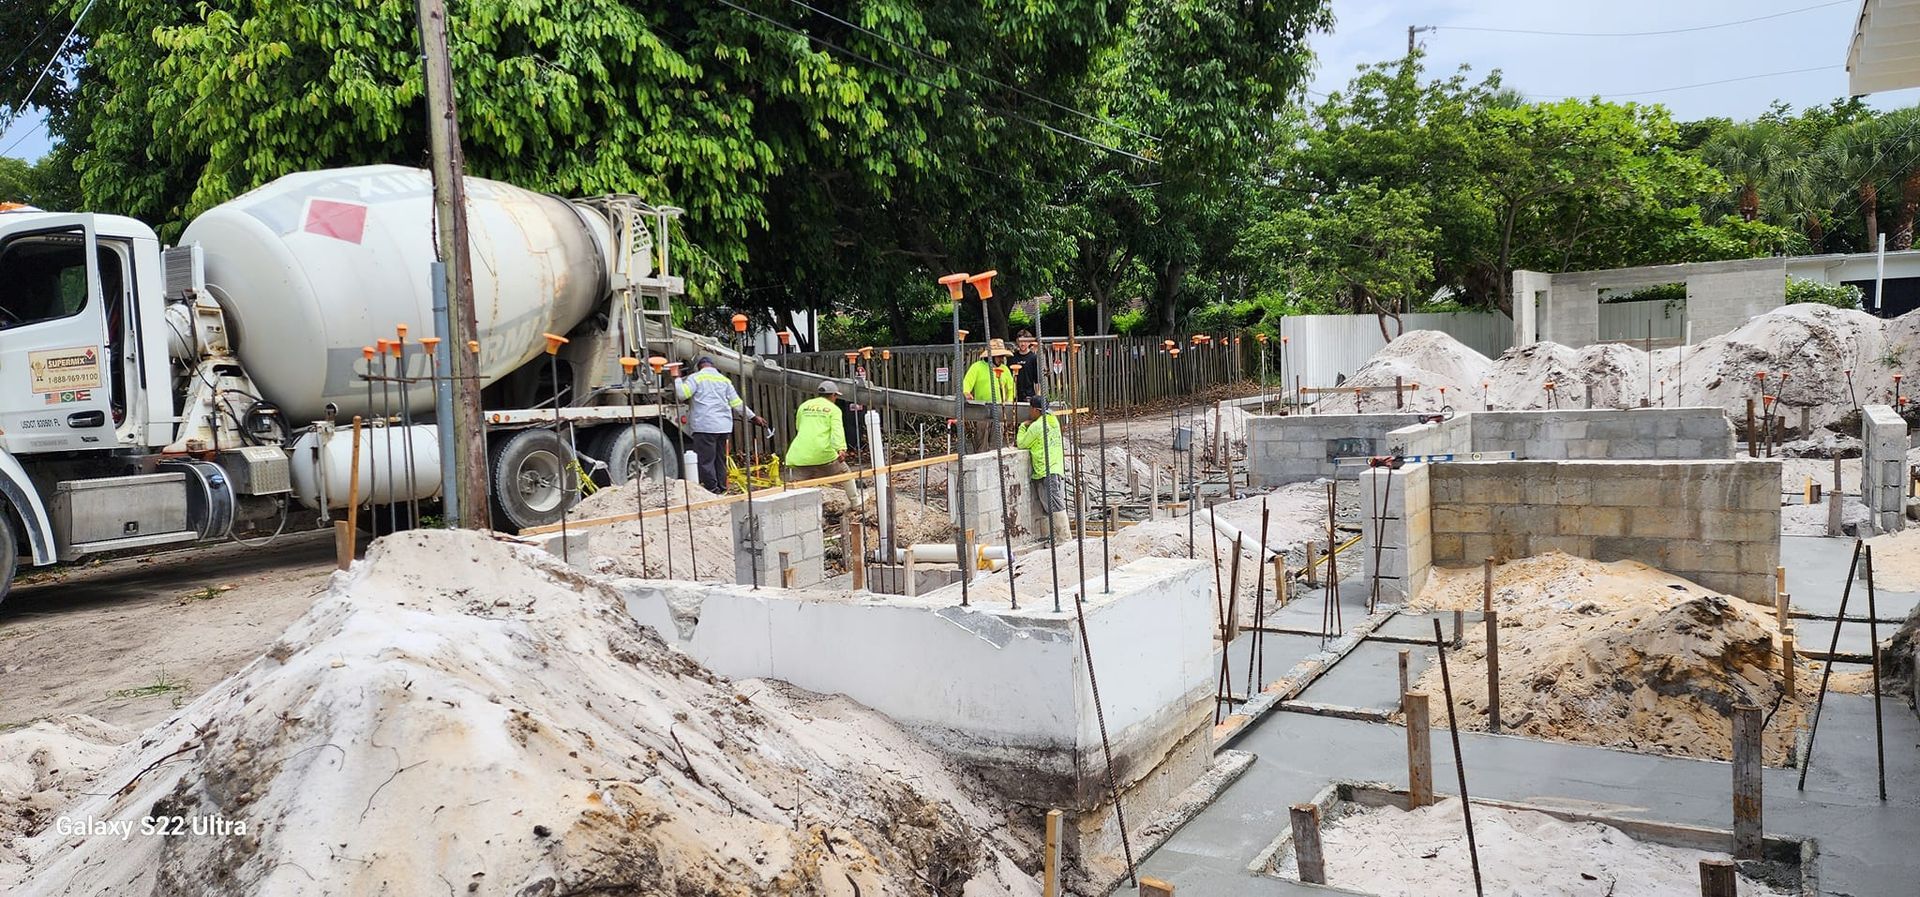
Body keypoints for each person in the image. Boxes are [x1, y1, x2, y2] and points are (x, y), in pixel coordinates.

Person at [675, 356, 766, 494]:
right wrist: (753, 417)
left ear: (699, 367)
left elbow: (682, 394)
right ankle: (723, 489)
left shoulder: (696, 378)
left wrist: (676, 378)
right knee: (720, 460)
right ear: (713, 366)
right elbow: (737, 404)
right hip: (723, 427)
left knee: (706, 461)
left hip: (704, 426)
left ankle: (712, 490)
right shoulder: (725, 381)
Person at [786, 380, 861, 503]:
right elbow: (837, 431)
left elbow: (799, 426)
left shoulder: (804, 406)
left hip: (800, 456)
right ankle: (855, 503)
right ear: (833, 395)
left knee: (796, 486)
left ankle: (795, 511)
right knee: (845, 473)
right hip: (822, 455)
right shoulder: (833, 409)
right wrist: (841, 449)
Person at [1016, 394, 1070, 541]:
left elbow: (1021, 443)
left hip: (1046, 470)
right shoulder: (1053, 421)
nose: (1029, 412)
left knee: (1054, 504)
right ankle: (1055, 536)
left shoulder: (1037, 426)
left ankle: (1064, 538)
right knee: (1051, 504)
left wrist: (1022, 427)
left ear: (1036, 410)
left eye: (1030, 409)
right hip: (1056, 467)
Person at [961, 338, 1016, 448]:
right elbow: (967, 382)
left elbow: (1011, 389)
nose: (1002, 359)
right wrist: (966, 392)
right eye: (999, 356)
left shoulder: (1005, 370)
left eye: (1002, 356)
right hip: (982, 410)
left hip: (1000, 410)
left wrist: (1009, 403)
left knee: (997, 443)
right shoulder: (977, 367)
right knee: (981, 441)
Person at [1010, 329, 1041, 402]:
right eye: (1021, 341)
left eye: (1025, 341)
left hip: (1029, 395)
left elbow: (1037, 380)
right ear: (1017, 341)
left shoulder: (1034, 358)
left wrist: (1038, 397)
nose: (1023, 344)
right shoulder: (1012, 357)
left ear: (1030, 342)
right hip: (1014, 395)